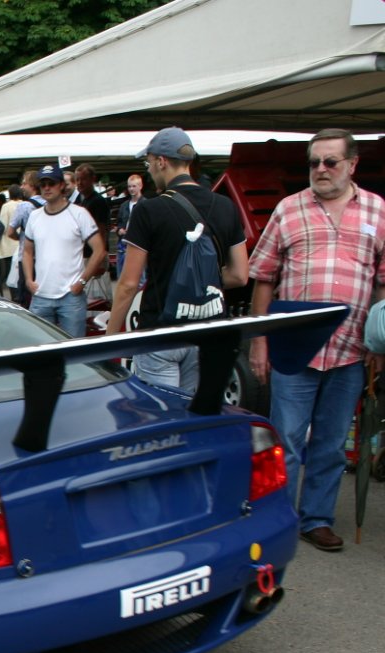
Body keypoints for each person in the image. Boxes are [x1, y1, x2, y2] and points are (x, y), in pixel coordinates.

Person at [248, 128, 385, 552]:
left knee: (329, 444)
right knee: (285, 440)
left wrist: (379, 346)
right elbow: (263, 278)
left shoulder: (378, 211)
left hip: (350, 350)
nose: (321, 170)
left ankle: (317, 519)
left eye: (330, 161)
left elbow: (382, 285)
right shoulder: (289, 209)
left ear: (352, 164)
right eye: (314, 162)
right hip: (293, 349)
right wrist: (259, 341)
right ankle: (278, 519)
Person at [107, 127, 248, 393]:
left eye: (148, 162)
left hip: (161, 334)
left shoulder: (149, 210)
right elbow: (240, 275)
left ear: (161, 161)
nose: (148, 170)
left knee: (162, 417)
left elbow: (127, 284)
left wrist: (110, 340)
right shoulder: (225, 206)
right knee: (194, 418)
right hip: (208, 332)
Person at [20, 165, 106, 338]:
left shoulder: (79, 214)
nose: (46, 188)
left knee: (74, 352)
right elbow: (27, 251)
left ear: (61, 185)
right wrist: (29, 280)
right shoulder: (35, 217)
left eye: (51, 183)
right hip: (41, 295)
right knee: (40, 351)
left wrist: (82, 282)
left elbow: (100, 250)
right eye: (42, 184)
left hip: (70, 297)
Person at [7, 170, 45, 306]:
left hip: (28, 258)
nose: (22, 187)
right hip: (46, 258)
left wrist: (21, 238)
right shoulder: (51, 204)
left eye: (24, 184)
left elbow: (10, 232)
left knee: (26, 297)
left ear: (33, 185)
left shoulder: (24, 206)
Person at [115, 174, 144, 278]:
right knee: (122, 277)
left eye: (134, 186)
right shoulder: (124, 206)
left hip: (138, 246)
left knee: (140, 279)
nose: (131, 189)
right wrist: (119, 230)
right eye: (129, 186)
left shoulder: (146, 204)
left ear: (140, 186)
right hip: (123, 246)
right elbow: (118, 224)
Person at [0, 184, 22, 290]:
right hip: (21, 243)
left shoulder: (6, 206)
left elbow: (2, 224)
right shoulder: (26, 204)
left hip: (9, 244)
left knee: (10, 273)